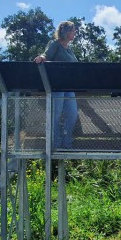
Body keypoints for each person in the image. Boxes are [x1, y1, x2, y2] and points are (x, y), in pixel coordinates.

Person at [34, 21, 78, 149]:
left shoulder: (69, 49)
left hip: (69, 87)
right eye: (73, 30)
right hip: (57, 87)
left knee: (72, 114)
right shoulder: (55, 44)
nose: (75, 33)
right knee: (56, 115)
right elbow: (46, 55)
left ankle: (66, 141)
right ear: (67, 32)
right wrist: (41, 58)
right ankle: (55, 143)